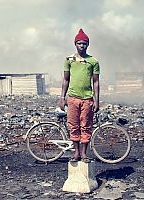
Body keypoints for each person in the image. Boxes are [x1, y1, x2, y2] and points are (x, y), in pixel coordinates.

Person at [60, 28, 100, 163]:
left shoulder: (93, 61)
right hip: (72, 98)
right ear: (75, 44)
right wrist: (62, 98)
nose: (82, 46)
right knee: (73, 125)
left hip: (87, 99)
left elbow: (96, 82)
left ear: (88, 45)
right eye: (79, 43)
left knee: (86, 126)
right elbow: (66, 80)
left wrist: (97, 100)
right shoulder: (69, 60)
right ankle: (76, 152)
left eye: (84, 43)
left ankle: (84, 153)